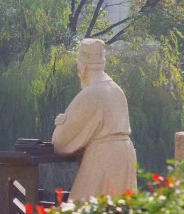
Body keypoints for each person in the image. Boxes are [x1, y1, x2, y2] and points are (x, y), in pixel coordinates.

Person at [52, 38, 137, 200]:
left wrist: (61, 125)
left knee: (84, 206)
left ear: (82, 66)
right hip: (125, 154)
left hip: (103, 157)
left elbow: (61, 143)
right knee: (120, 208)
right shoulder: (116, 90)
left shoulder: (90, 93)